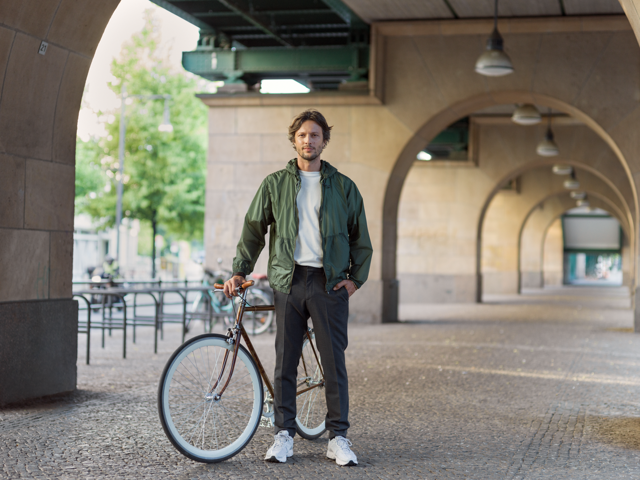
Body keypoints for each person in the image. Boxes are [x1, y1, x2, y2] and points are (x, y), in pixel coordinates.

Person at [223, 109, 373, 466]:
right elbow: (253, 230)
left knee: (334, 364)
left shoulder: (343, 186)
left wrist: (355, 279)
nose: (309, 140)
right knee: (285, 363)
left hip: (328, 283)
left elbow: (360, 237)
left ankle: (338, 437)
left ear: (324, 141)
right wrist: (240, 271)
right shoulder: (274, 184)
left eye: (315, 135)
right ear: (294, 140)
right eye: (303, 135)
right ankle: (284, 434)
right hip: (288, 282)